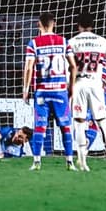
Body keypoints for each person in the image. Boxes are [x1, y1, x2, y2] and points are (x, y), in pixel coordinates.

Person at [22, 12, 78, 171]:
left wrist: (25, 90)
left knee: (40, 126)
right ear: (54, 24)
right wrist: (71, 88)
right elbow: (73, 66)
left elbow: (28, 68)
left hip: (42, 92)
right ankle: (69, 162)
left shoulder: (34, 43)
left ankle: (37, 162)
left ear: (38, 25)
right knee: (65, 126)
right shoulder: (64, 42)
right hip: (60, 91)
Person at [67, 12, 106, 172]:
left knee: (79, 124)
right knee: (103, 124)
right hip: (97, 86)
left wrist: (68, 85)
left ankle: (82, 161)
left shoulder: (72, 42)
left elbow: (66, 67)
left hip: (79, 85)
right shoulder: (101, 41)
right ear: (92, 25)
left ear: (78, 26)